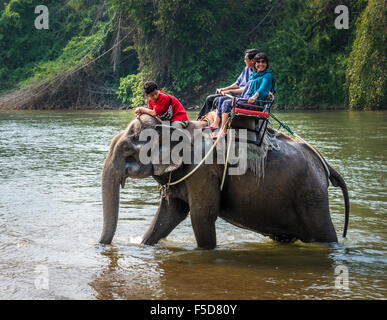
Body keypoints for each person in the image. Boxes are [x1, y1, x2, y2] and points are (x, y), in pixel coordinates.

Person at [211, 52, 275, 129]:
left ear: (267, 63)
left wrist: (254, 97)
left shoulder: (267, 75)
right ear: (255, 63)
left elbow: (262, 88)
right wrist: (228, 91)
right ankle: (216, 124)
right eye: (258, 62)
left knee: (226, 103)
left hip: (255, 103)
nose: (260, 64)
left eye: (263, 62)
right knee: (220, 99)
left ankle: (223, 130)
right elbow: (246, 88)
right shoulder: (254, 75)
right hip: (246, 100)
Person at [196, 48, 259, 120]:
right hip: (235, 94)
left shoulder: (258, 75)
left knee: (216, 99)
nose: (244, 61)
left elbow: (247, 90)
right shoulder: (246, 69)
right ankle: (200, 119)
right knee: (209, 98)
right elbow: (237, 84)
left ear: (252, 60)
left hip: (241, 97)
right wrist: (223, 89)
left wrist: (230, 91)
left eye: (246, 59)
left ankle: (213, 121)